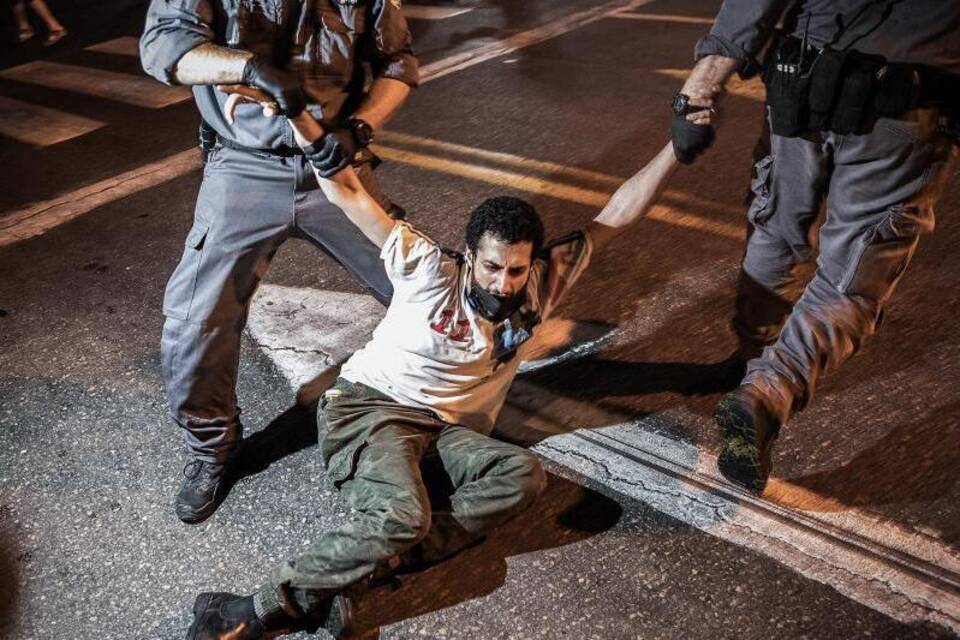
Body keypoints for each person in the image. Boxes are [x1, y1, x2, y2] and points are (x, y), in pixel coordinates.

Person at [184, 100, 690, 639]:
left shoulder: (543, 280)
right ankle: (248, 612)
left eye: (516, 270)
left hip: (446, 432)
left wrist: (674, 151)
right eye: (492, 267)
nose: (503, 283)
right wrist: (307, 129)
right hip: (369, 410)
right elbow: (351, 195)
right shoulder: (428, 268)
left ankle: (368, 571)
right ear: (470, 256)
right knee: (402, 517)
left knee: (520, 476)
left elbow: (615, 214)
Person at [139, 0, 419, 524]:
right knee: (196, 319)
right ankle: (212, 451)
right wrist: (248, 67)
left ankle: (445, 400)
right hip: (243, 165)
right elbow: (164, 49)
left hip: (335, 164)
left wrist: (358, 129)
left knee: (422, 288)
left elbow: (398, 63)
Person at [671, 0, 960, 493]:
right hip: (906, 100)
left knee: (776, 231)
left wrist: (702, 83)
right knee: (852, 278)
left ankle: (752, 356)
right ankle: (764, 387)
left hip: (802, 75)